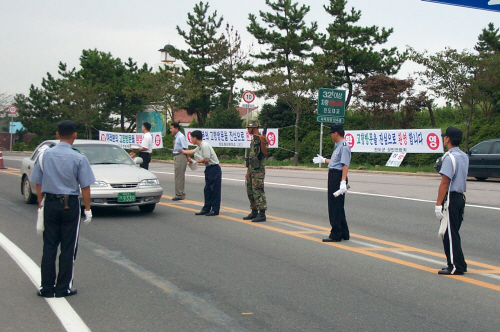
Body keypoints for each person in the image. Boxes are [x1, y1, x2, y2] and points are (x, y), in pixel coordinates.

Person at [30, 120, 95, 298]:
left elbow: (38, 181)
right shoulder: (79, 157)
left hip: (50, 202)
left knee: (49, 245)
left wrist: (41, 203)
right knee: (68, 247)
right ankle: (63, 287)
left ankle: (46, 287)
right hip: (70, 203)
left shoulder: (44, 155)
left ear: (57, 135)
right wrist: (87, 209)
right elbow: (85, 186)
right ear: (75, 135)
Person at [435, 126, 469, 275]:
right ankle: (459, 263)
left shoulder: (450, 157)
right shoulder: (463, 156)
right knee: (453, 232)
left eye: (445, 137)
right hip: (460, 197)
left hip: (450, 198)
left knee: (448, 233)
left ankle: (455, 266)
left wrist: (438, 204)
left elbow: (444, 182)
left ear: (448, 139)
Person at [313, 124, 351, 242]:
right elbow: (336, 161)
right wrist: (324, 160)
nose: (331, 136)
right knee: (338, 206)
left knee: (334, 206)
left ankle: (336, 234)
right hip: (335, 175)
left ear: (336, 133)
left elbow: (345, 165)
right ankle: (344, 232)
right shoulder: (338, 145)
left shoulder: (344, 146)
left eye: (332, 134)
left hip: (338, 177)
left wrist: (343, 181)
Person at [182, 130, 222, 216]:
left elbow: (206, 159)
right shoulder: (199, 146)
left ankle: (215, 210)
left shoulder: (205, 145)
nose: (191, 140)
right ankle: (206, 208)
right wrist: (183, 152)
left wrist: (198, 161)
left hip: (214, 168)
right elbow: (193, 151)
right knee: (207, 190)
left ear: (195, 138)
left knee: (214, 190)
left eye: (191, 138)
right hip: (208, 169)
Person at [243, 120, 268, 223]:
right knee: (250, 190)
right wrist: (248, 171)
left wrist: (262, 141)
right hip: (251, 169)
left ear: (254, 128)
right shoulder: (254, 139)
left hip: (258, 170)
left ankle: (262, 213)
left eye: (249, 128)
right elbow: (251, 156)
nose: (248, 130)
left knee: (258, 190)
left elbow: (265, 152)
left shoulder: (262, 138)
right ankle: (254, 211)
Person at [170, 122, 188, 201]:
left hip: (180, 157)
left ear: (176, 128)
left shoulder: (181, 137)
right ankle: (179, 193)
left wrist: (188, 158)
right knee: (178, 176)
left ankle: (179, 194)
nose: (170, 130)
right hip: (177, 156)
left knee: (179, 177)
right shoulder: (176, 137)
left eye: (171, 128)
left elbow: (185, 148)